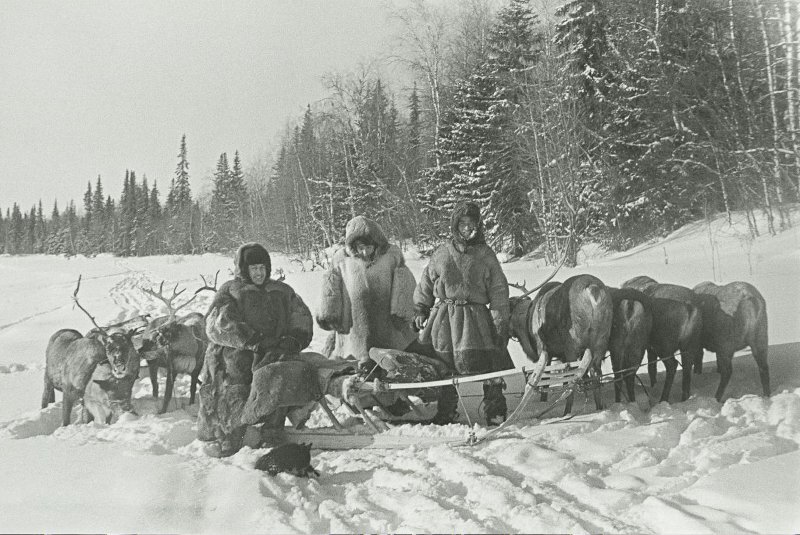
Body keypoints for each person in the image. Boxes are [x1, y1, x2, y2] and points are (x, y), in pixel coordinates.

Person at [197, 242, 313, 457]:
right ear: (244, 270)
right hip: (235, 354)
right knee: (235, 390)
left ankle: (272, 433)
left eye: (262, 268)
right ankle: (230, 439)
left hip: (272, 351)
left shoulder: (282, 291)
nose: (259, 273)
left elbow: (301, 317)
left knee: (278, 377)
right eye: (254, 269)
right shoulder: (231, 291)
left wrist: (295, 338)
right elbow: (217, 324)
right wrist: (251, 339)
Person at [413, 201, 513, 425]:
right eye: (463, 224)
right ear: (455, 225)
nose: (467, 229)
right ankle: (446, 409)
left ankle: (495, 408)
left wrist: (499, 321)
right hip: (444, 321)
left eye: (472, 224)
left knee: (490, 364)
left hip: (475, 321)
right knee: (444, 367)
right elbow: (426, 283)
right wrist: (420, 308)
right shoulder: (442, 254)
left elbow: (498, 290)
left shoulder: (486, 255)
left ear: (478, 226)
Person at [316, 215, 418, 372]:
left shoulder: (391, 256)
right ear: (353, 246)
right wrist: (329, 313)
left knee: (391, 365)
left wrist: (402, 312)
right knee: (356, 367)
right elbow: (330, 287)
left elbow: (404, 285)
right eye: (360, 247)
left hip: (387, 324)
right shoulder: (341, 259)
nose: (364, 252)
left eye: (369, 247)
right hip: (354, 327)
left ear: (376, 244)